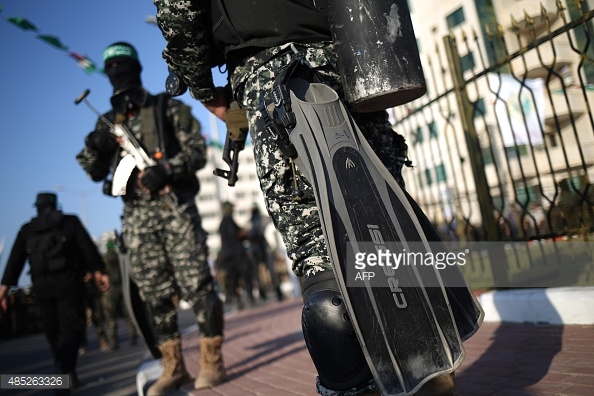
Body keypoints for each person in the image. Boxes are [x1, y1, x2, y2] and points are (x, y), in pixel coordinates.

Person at [151, 3, 477, 395]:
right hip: (353, 59)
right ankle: (430, 376)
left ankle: (363, 386)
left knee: (323, 267)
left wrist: (204, 90)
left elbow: (179, 11)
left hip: (268, 74)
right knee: (383, 225)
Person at [75, 42, 226, 395]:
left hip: (174, 209)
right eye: (112, 68)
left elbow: (198, 151)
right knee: (154, 294)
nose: (117, 74)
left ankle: (211, 361)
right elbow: (93, 172)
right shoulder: (105, 121)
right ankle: (173, 367)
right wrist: (96, 146)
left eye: (123, 67)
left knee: (198, 286)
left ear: (136, 70)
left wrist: (167, 170)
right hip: (137, 219)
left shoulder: (167, 107)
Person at [0, 192, 109, 394]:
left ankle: (65, 373)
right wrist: (99, 272)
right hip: (69, 285)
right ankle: (64, 370)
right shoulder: (70, 222)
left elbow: (15, 260)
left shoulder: (27, 230)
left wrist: (4, 289)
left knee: (53, 333)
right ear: (55, 204)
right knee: (72, 330)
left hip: (42, 289)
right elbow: (87, 248)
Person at [101, 238, 138, 349]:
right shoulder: (119, 257)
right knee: (129, 314)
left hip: (110, 290)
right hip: (123, 288)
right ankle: (133, 336)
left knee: (111, 317)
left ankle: (113, 340)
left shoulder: (104, 259)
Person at [218, 201, 253, 309]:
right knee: (244, 277)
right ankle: (247, 299)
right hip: (236, 256)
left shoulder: (224, 223)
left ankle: (237, 299)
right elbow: (236, 235)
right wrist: (245, 232)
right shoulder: (228, 221)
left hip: (229, 257)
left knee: (233, 280)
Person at [248, 204, 283, 301]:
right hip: (261, 247)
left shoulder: (252, 221)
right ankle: (274, 291)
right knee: (267, 271)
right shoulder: (260, 219)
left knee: (265, 271)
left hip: (260, 247)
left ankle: (269, 292)